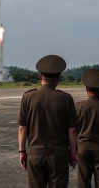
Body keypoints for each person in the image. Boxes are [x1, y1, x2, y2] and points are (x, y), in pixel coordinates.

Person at [17, 55, 78, 188]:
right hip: (59, 155)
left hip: (35, 154)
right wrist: (73, 153)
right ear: (58, 79)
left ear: (40, 77)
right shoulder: (66, 99)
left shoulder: (28, 97)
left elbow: (22, 128)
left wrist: (22, 151)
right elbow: (72, 130)